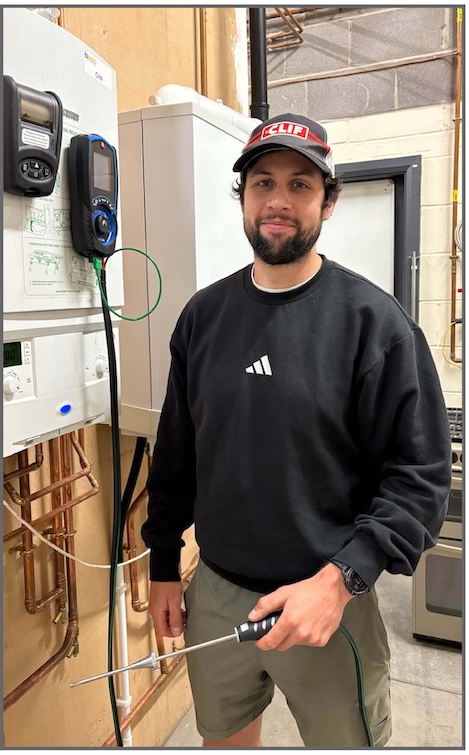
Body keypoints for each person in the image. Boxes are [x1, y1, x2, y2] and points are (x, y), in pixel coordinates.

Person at [141, 112, 451, 747]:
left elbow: (421, 479)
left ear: (328, 203)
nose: (278, 201)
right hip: (219, 592)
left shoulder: (375, 325)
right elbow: (176, 453)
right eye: (262, 183)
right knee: (224, 738)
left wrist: (341, 583)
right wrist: (166, 563)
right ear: (245, 198)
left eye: (301, 184)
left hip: (327, 597)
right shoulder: (204, 317)